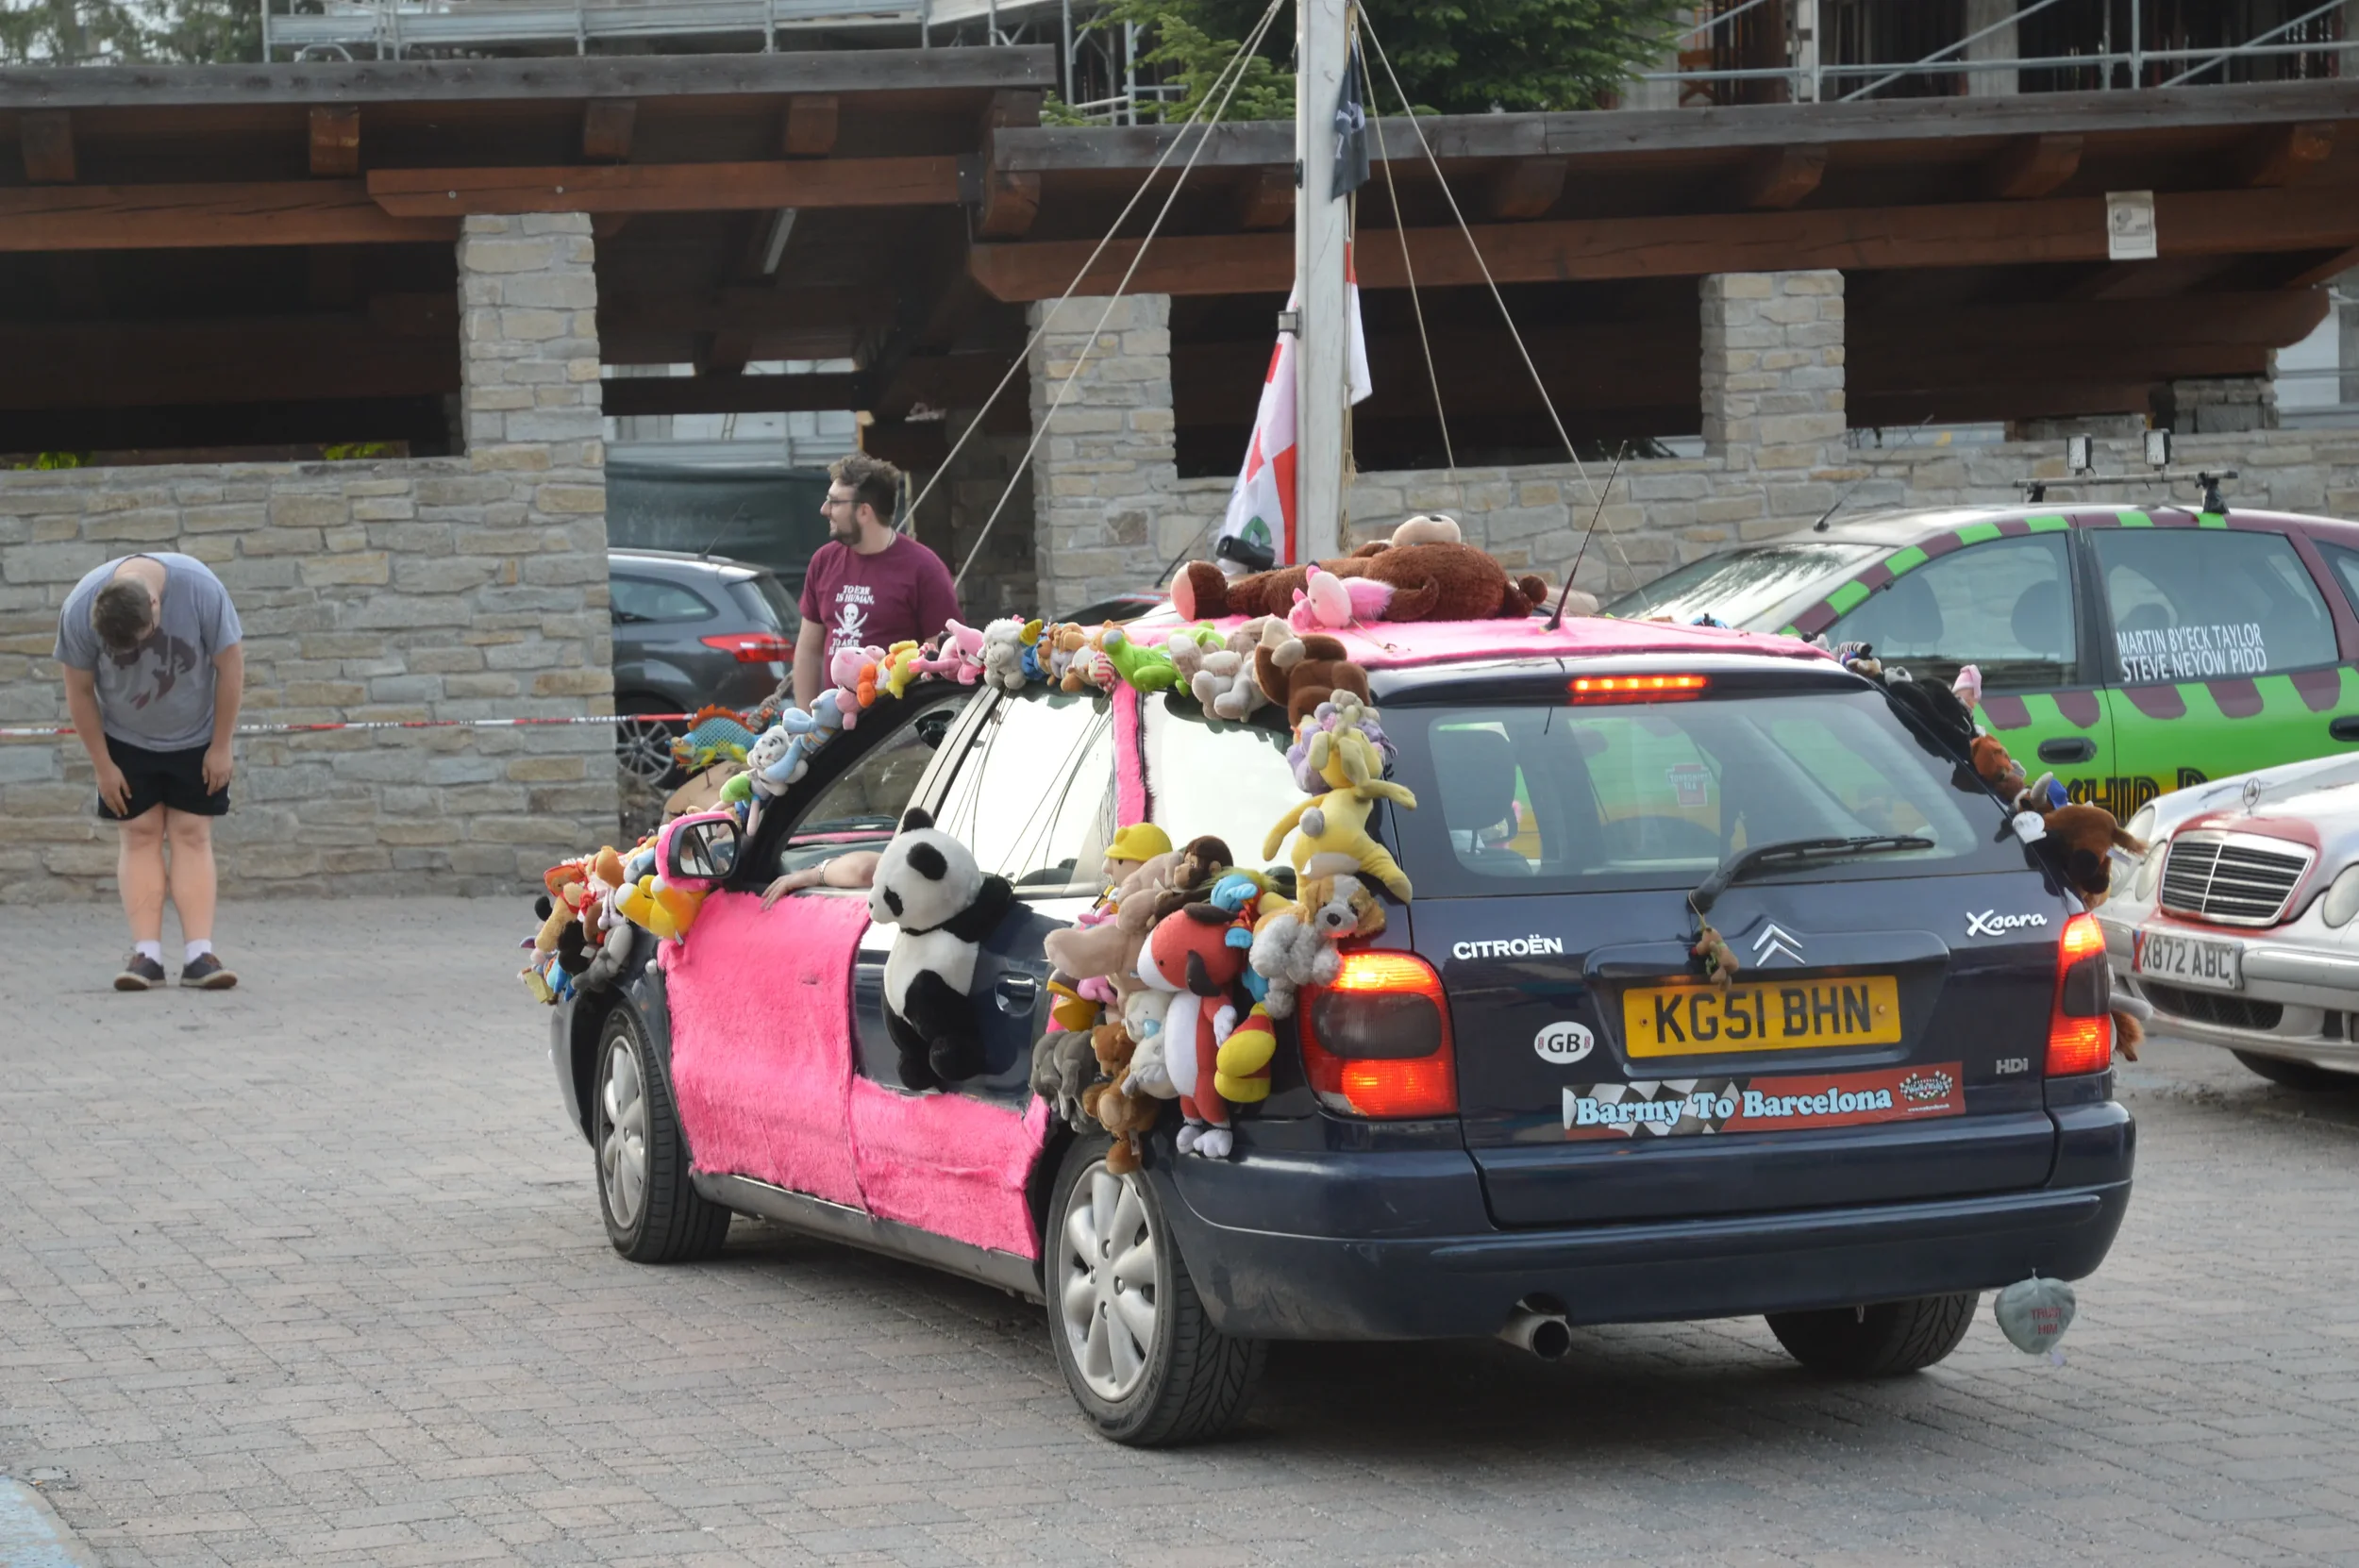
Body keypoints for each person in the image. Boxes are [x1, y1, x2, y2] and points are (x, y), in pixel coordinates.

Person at [55, 552, 244, 992]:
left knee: (192, 833)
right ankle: (147, 957)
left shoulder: (201, 588)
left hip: (196, 734)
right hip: (125, 739)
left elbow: (231, 666)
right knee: (139, 833)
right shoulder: (80, 606)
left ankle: (200, 956)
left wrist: (221, 745)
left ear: (156, 605)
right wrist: (102, 765)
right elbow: (79, 690)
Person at [792, 453, 959, 709]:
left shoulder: (924, 569)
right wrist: (803, 726)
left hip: (893, 734)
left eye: (834, 502)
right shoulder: (823, 561)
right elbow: (809, 651)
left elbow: (942, 659)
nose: (824, 510)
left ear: (864, 511)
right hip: (833, 728)